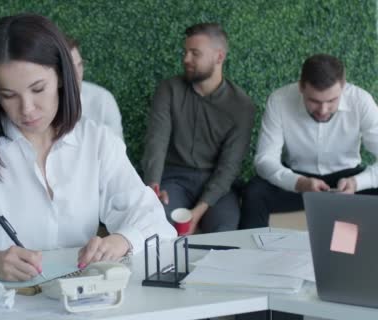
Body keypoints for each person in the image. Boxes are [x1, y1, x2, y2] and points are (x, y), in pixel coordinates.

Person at [0, 13, 174, 281]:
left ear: (61, 78)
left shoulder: (97, 141)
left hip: (79, 303)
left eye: (38, 89)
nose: (27, 109)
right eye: (9, 95)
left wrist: (121, 240)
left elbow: (155, 221)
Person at [140, 23, 255, 235]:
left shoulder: (241, 105)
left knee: (224, 230)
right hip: (173, 178)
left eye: (195, 53)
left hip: (216, 184)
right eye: (185, 52)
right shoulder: (169, 89)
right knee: (157, 221)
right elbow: (156, 141)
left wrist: (199, 211)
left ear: (219, 57)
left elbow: (229, 168)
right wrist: (153, 187)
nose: (186, 59)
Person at [240, 54, 378, 229]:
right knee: (255, 193)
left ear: (342, 87)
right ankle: (252, 256)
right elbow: (264, 160)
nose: (323, 110)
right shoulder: (279, 100)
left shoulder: (361, 101)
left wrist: (357, 182)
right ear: (301, 87)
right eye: (314, 101)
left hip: (348, 179)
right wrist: (299, 183)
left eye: (331, 100)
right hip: (298, 179)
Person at [66, 36, 124, 139]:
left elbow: (117, 151)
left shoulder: (103, 100)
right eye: (68, 68)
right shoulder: (39, 108)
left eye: (80, 65)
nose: (77, 75)